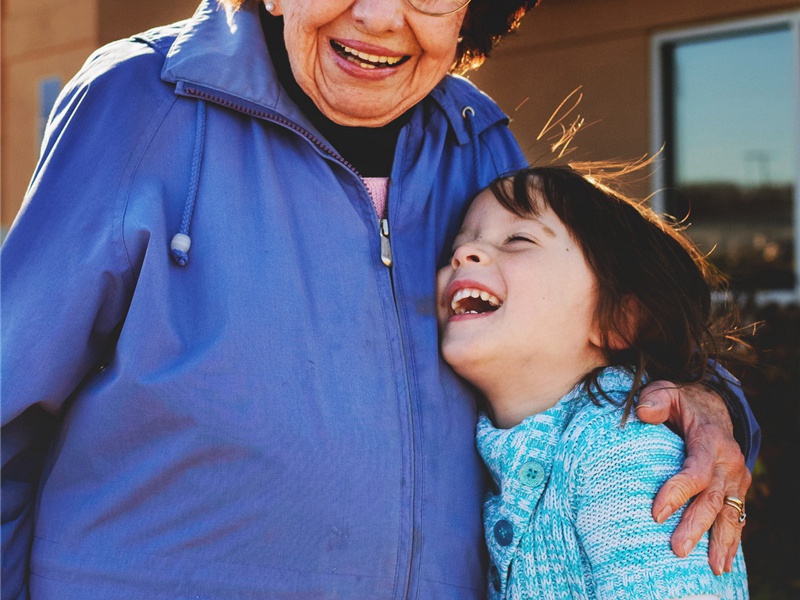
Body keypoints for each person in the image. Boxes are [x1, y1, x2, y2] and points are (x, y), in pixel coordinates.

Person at [1, 0, 758, 597]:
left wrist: (698, 400)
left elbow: (589, 337)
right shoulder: (139, 102)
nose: (378, 17)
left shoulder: (477, 141)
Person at [436, 164, 750, 598]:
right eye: (457, 245)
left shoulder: (623, 449)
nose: (464, 254)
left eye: (517, 239)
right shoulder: (505, 455)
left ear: (620, 319)